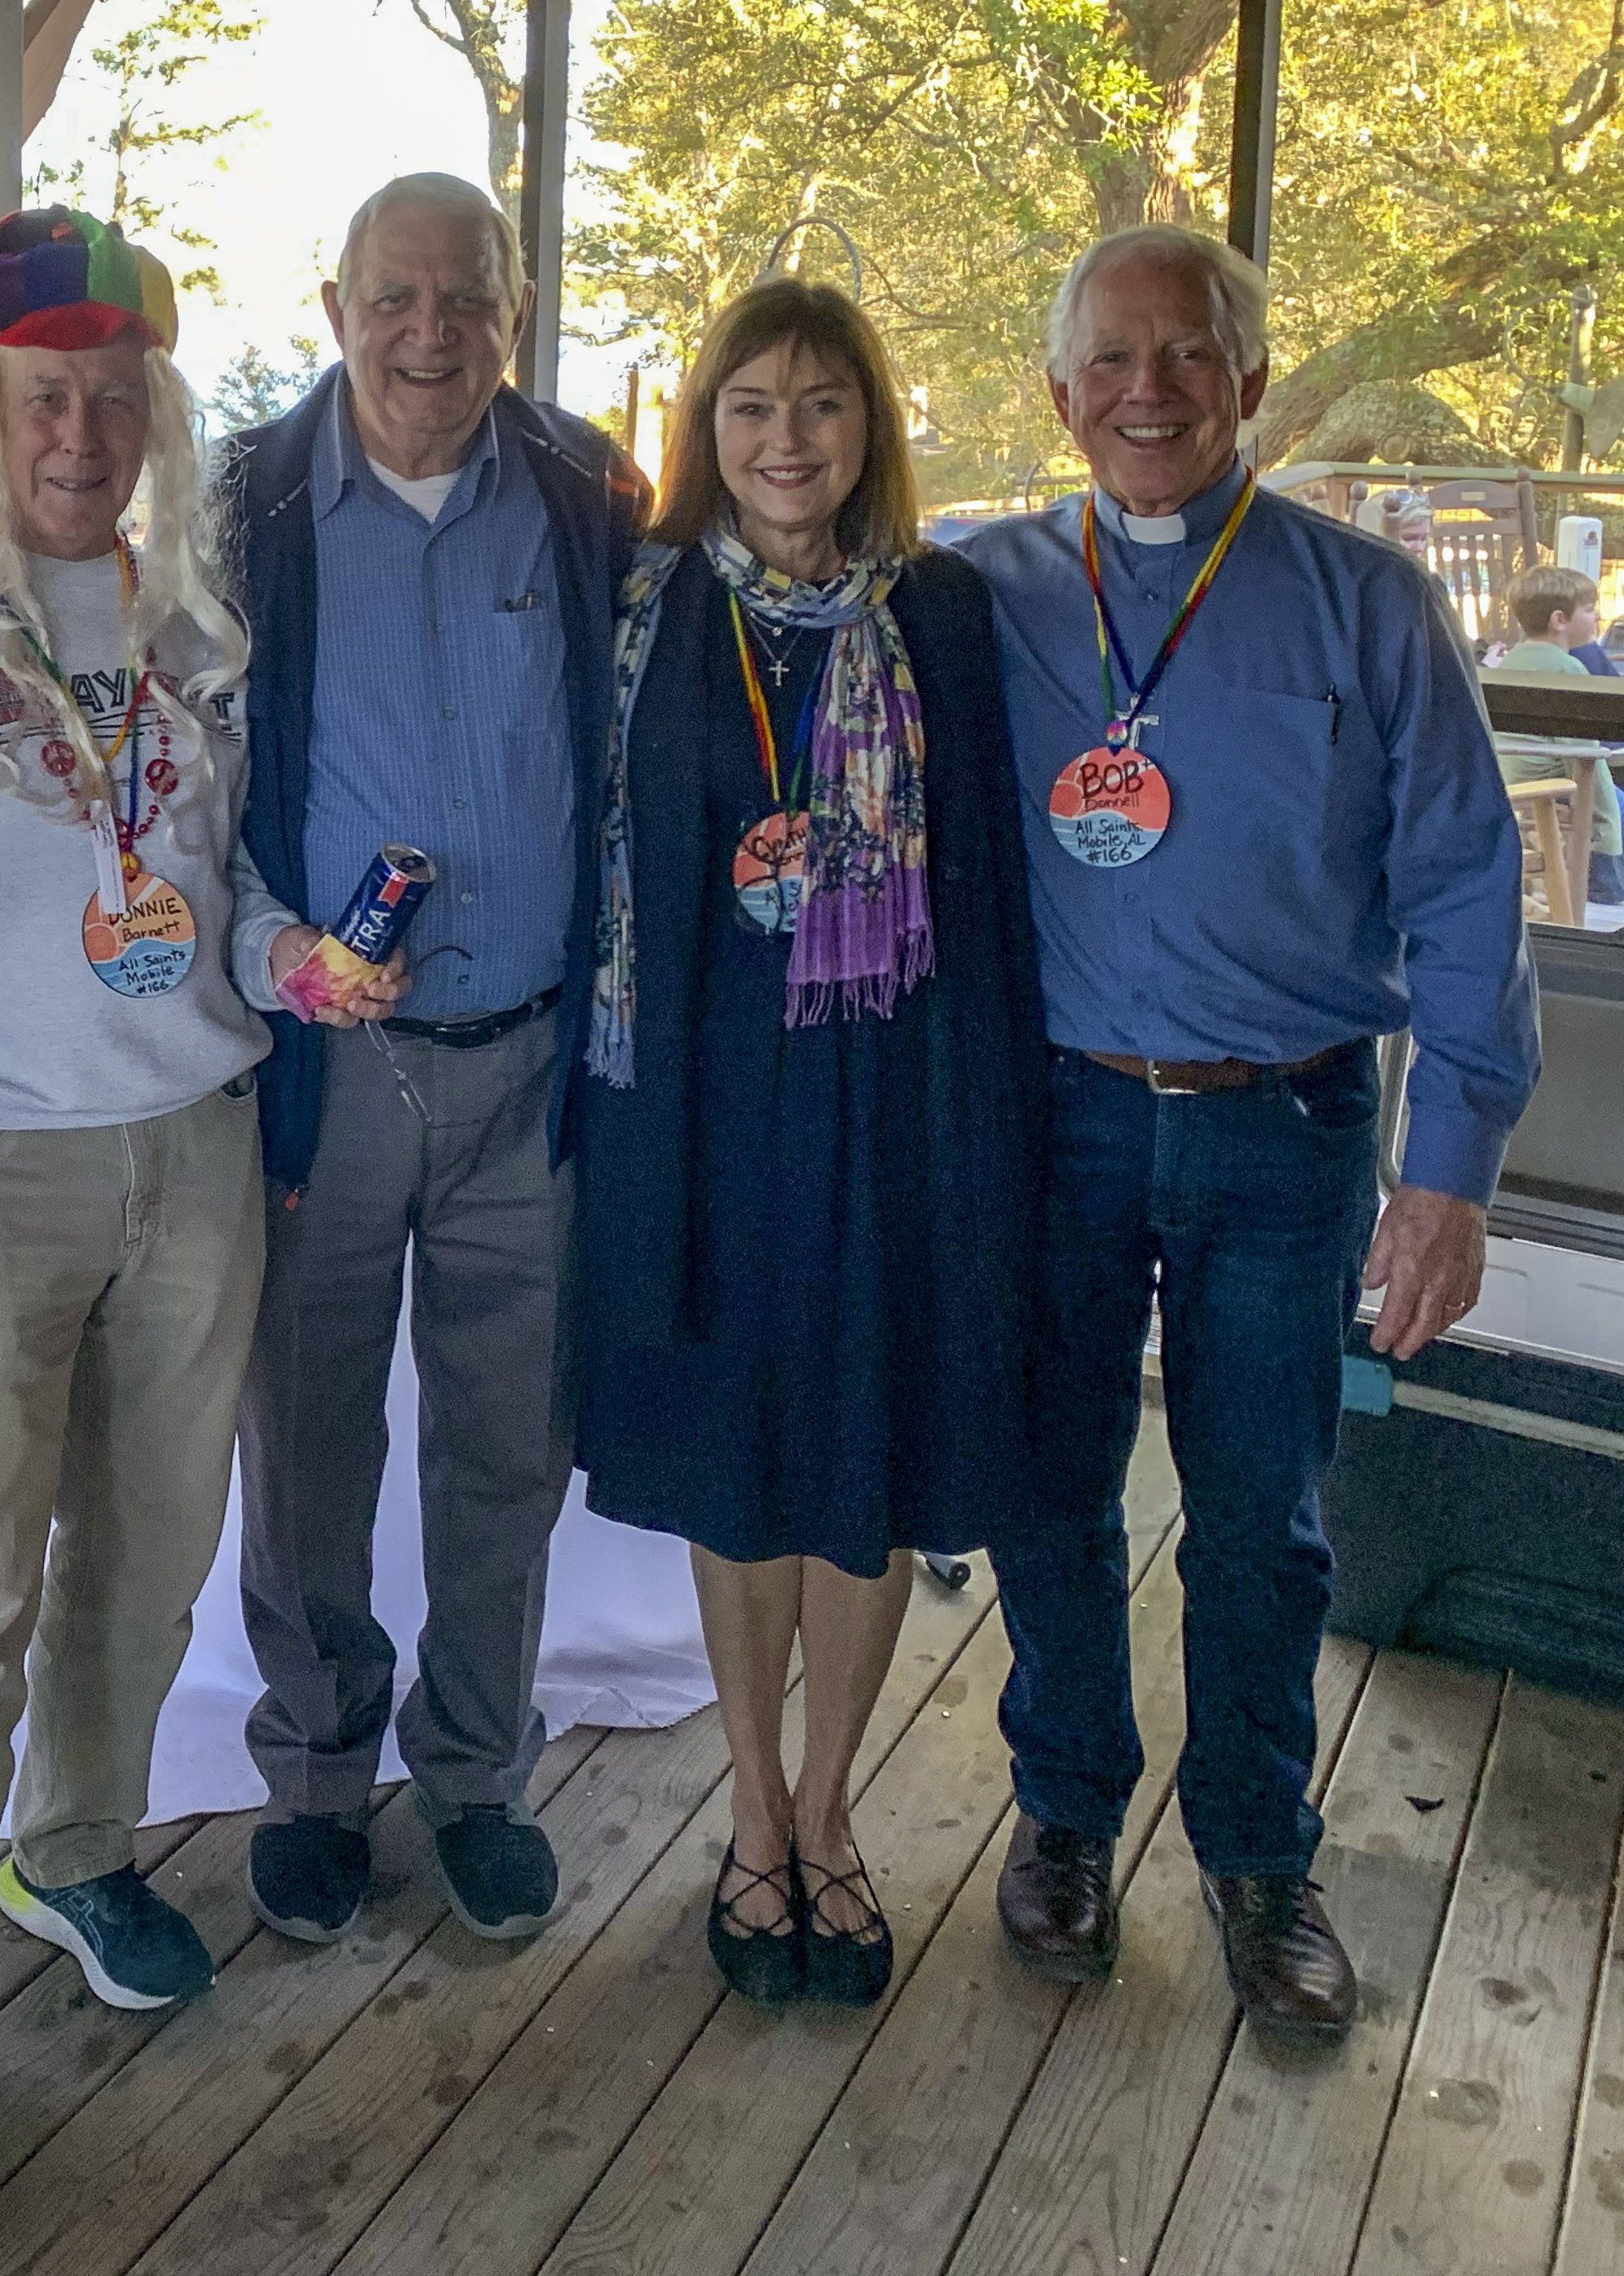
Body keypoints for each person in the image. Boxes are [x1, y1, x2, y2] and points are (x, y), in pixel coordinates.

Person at [0, 208, 383, 2260]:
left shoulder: (199, 617)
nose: (82, 429)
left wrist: (305, 964)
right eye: (44, 395)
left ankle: (76, 1843)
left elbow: (217, 894)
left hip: (192, 1138)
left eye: (117, 396)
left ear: (156, 414)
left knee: (149, 1546)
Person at [957, 226, 1539, 2040]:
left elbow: (1463, 887)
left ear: (1248, 383)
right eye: (1109, 360)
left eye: (1187, 354)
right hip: (1051, 1121)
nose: (1147, 388)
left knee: (1261, 1524)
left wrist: (1446, 1172)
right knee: (1046, 1492)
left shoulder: (1366, 603)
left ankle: (1253, 1850)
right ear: (1055, 393)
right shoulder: (973, 595)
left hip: (1285, 1128)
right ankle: (1061, 1810)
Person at [576, 280, 1046, 2007]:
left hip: (891, 1100)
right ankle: (749, 1816)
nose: (787, 438)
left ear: (870, 428)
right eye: (752, 404)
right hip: (702, 1103)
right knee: (734, 1455)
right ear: (706, 429)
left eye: (822, 403)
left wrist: (982, 1139)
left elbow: (988, 895)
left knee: (858, 1458)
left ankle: (833, 1813)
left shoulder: (947, 617)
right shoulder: (641, 616)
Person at [222, 172, 651, 1948]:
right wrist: (271, 947)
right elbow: (172, 780)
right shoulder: (239, 507)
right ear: (332, 306)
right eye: (394, 298)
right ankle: (318, 1773)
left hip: (525, 1073)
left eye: (465, 301)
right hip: (319, 1078)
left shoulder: (583, 494)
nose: (428, 333)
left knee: (504, 1451)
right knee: (305, 1445)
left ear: (512, 313)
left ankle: (473, 1769)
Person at [1490, 561, 1624, 905]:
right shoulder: (1567, 669)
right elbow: (1580, 752)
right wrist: (1602, 834)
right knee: (1619, 799)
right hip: (1551, 783)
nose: (1596, 618)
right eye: (1590, 609)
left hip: (1509, 778)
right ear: (1559, 620)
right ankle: (1605, 885)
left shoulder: (1513, 660)